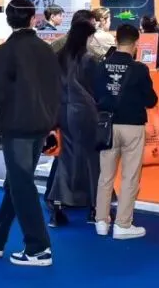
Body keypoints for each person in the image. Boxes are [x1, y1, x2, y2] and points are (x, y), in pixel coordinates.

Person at [0, 0, 61, 267]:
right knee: (17, 183)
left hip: (17, 128)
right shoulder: (46, 50)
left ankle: (38, 248)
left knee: (21, 185)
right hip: (40, 127)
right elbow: (57, 89)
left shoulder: (6, 51)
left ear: (9, 21)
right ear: (33, 19)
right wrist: (53, 123)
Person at [94, 24, 158, 240]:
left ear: (116, 40)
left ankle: (101, 221)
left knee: (105, 176)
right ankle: (123, 224)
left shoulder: (101, 66)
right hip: (132, 126)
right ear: (136, 43)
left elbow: (95, 94)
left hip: (107, 127)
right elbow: (151, 100)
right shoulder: (139, 69)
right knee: (130, 177)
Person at [46, 20, 100, 228]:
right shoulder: (89, 60)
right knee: (92, 160)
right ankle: (95, 208)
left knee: (66, 159)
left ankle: (57, 207)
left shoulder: (59, 57)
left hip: (63, 112)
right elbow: (96, 89)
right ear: (86, 37)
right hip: (85, 113)